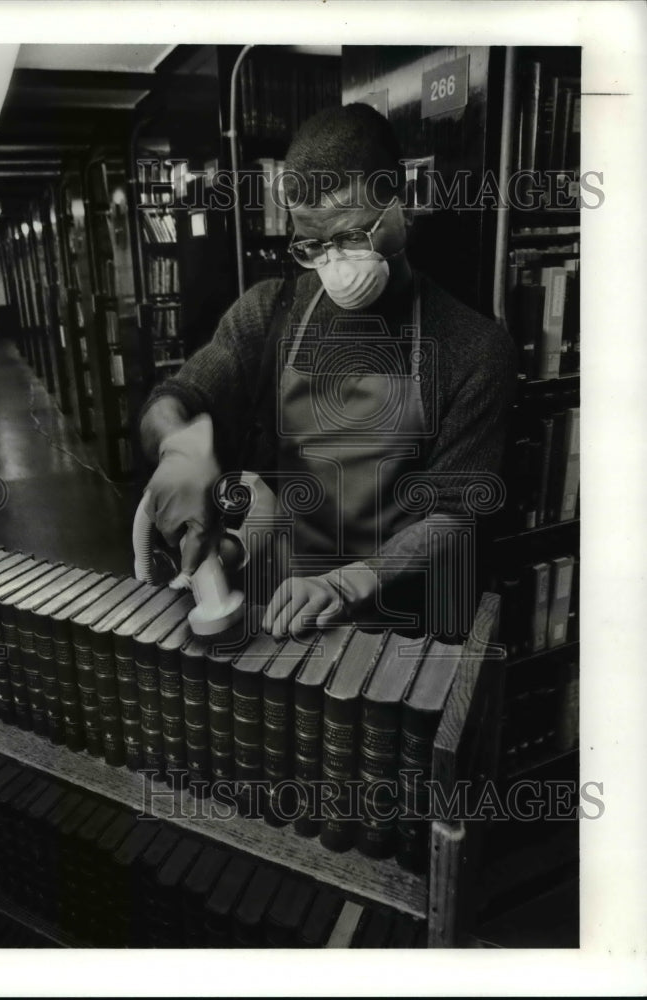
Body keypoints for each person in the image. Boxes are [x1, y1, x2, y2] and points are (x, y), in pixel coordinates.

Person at [139, 102, 517, 640]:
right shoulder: (271, 312)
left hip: (404, 629)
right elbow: (174, 396)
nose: (335, 263)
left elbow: (454, 516)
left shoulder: (475, 348)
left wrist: (349, 583)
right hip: (284, 613)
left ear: (399, 200)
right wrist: (178, 447)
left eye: (353, 236)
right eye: (314, 245)